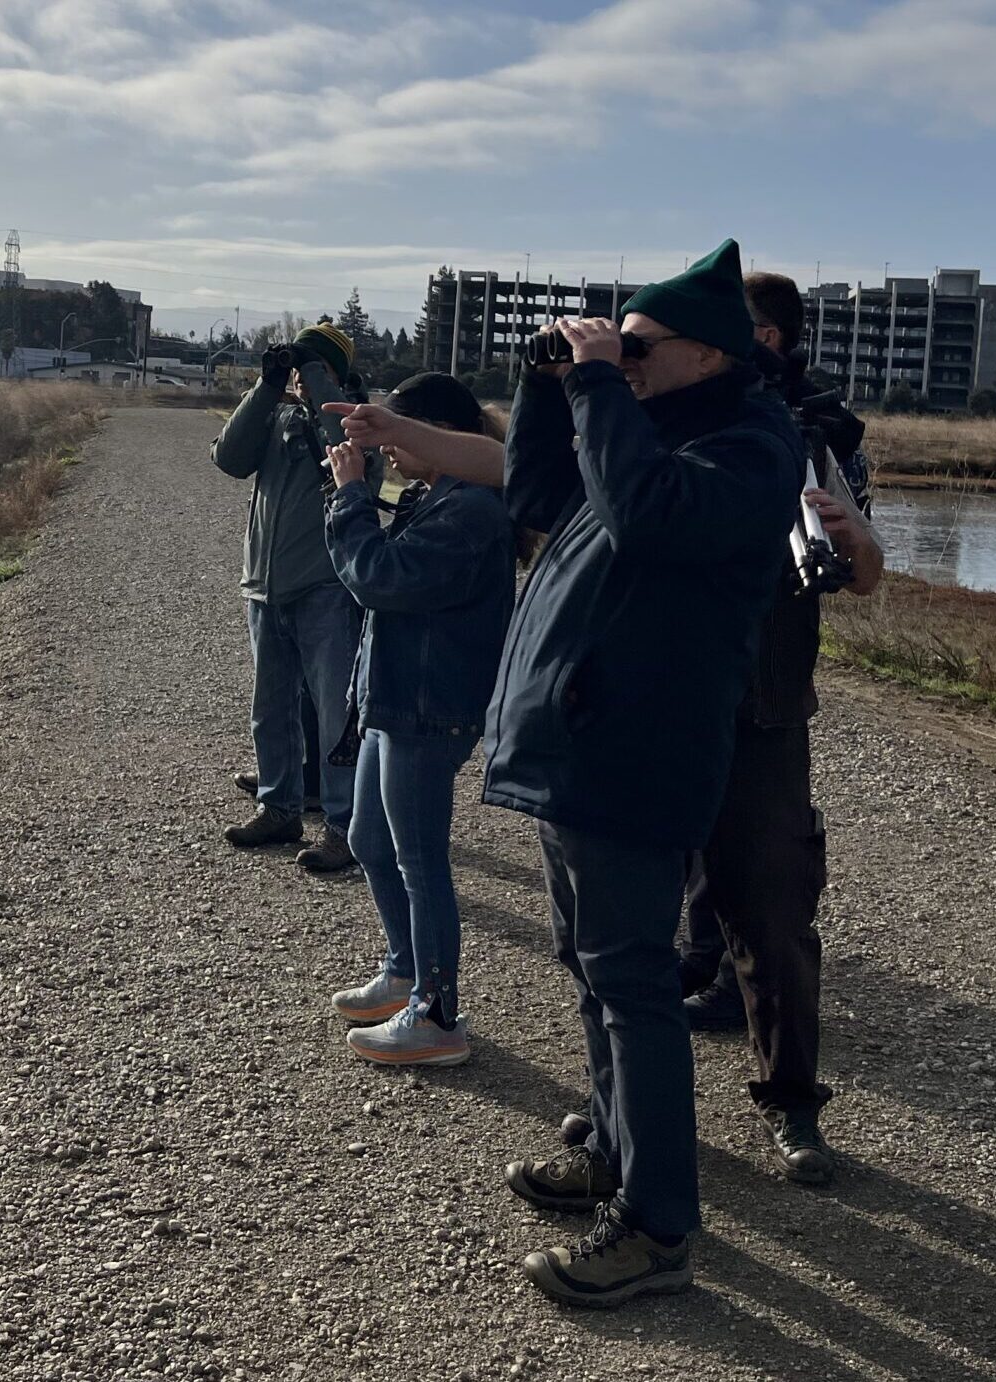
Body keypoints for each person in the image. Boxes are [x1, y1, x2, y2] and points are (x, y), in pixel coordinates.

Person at [333, 240, 803, 1308]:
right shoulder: (645, 424)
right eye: (617, 345)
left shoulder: (748, 445)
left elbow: (648, 514)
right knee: (587, 967)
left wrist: (599, 384)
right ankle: (610, 1147)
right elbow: (538, 492)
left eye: (640, 347)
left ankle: (655, 1226)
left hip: (639, 752)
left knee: (633, 982)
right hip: (576, 747)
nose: (623, 360)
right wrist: (548, 384)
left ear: (708, 353)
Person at [662, 270, 881, 1183]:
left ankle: (794, 1110)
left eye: (749, 331)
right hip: (660, 697)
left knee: (779, 918)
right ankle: (618, 1112)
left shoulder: (818, 434)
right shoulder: (657, 413)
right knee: (635, 918)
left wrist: (845, 532)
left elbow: (866, 567)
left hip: (764, 703)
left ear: (779, 340)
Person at [318, 374, 514, 1067]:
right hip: (394, 696)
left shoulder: (473, 510)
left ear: (436, 433)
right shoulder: (435, 494)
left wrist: (347, 499)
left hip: (430, 706)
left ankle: (436, 1014)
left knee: (420, 859)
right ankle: (404, 971)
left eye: (398, 436)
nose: (391, 454)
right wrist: (365, 490)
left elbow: (380, 578)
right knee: (371, 838)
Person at [211, 321, 375, 872]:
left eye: (316, 368)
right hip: (264, 584)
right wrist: (267, 386)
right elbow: (230, 459)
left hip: (326, 586)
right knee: (270, 710)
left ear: (336, 374)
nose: (303, 379)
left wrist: (317, 381)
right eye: (301, 367)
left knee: (335, 716)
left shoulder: (358, 418)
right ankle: (278, 806)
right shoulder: (276, 414)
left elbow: (345, 451)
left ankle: (342, 825)